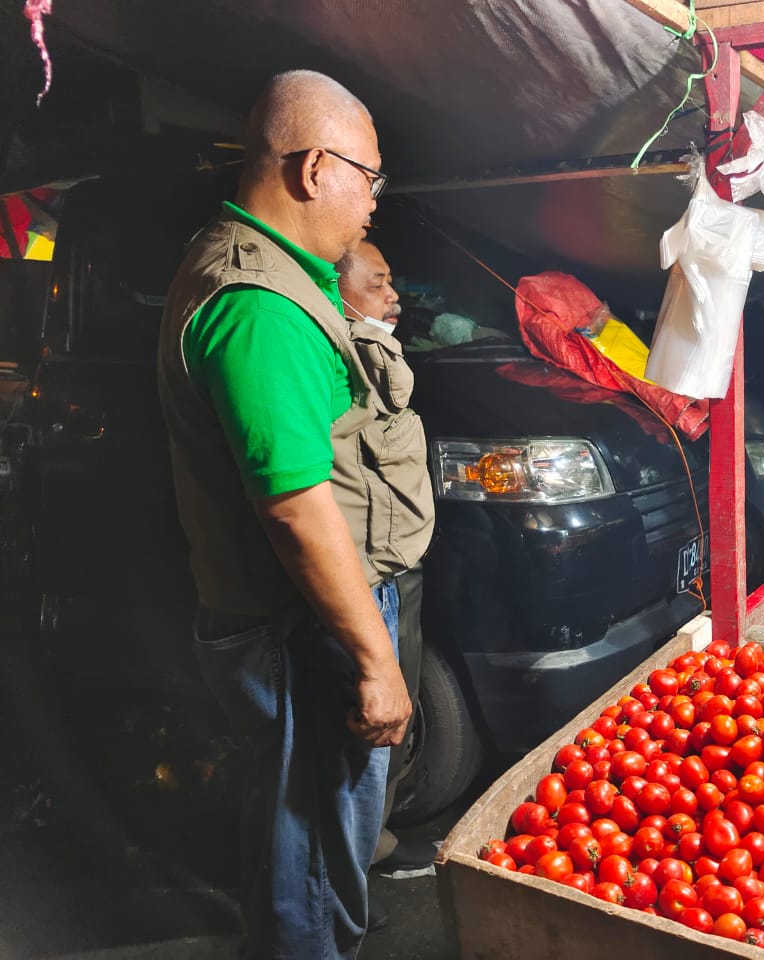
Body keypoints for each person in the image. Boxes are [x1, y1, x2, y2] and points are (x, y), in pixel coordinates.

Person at [156, 71, 434, 958]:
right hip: (300, 625)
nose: (374, 203)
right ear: (316, 168)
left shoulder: (284, 279)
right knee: (313, 851)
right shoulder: (261, 305)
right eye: (370, 177)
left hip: (307, 617)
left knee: (317, 835)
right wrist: (373, 658)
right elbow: (295, 508)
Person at [336, 239, 436, 886]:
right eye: (378, 282)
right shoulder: (338, 350)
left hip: (396, 565)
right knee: (361, 735)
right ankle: (344, 876)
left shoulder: (374, 343)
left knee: (398, 715)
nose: (393, 295)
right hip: (364, 573)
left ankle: (373, 841)